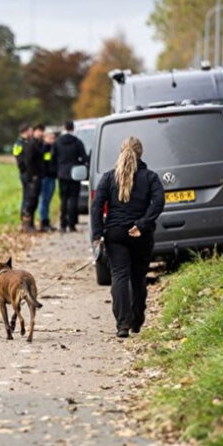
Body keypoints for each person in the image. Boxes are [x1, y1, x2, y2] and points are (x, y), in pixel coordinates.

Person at [91, 137, 164, 338]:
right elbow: (158, 203)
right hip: (141, 235)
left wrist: (97, 235)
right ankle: (137, 320)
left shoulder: (108, 178)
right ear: (141, 153)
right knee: (138, 276)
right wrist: (142, 224)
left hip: (114, 234)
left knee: (120, 276)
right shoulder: (150, 177)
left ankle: (123, 324)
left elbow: (96, 207)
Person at [55, 120, 88, 232]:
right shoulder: (77, 142)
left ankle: (63, 224)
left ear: (64, 127)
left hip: (62, 174)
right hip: (74, 174)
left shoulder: (58, 142)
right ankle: (72, 224)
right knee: (74, 199)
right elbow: (84, 158)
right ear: (73, 128)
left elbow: (53, 158)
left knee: (63, 200)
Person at [37, 130, 58, 232]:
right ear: (45, 138)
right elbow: (46, 163)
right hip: (46, 177)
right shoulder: (45, 148)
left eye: (54, 138)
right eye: (50, 138)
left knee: (48, 200)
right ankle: (43, 222)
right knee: (44, 200)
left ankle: (46, 221)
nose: (53, 140)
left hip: (52, 177)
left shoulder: (52, 148)